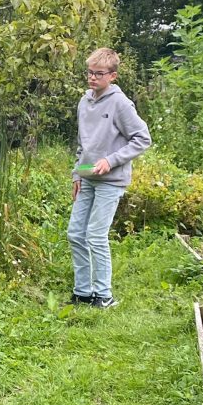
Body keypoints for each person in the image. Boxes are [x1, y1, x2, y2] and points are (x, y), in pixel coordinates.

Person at [68, 48, 152, 308]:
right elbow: (83, 144)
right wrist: (77, 174)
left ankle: (104, 296)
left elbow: (142, 139)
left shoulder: (120, 103)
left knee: (95, 235)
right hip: (87, 177)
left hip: (111, 180)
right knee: (75, 233)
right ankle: (83, 292)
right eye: (90, 72)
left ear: (112, 76)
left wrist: (111, 160)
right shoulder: (84, 101)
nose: (92, 78)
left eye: (99, 73)